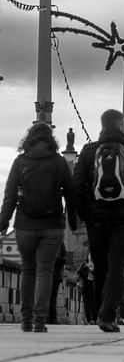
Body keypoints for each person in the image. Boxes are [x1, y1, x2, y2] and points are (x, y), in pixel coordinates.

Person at [74, 109, 124, 332]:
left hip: (96, 218)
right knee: (117, 266)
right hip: (123, 218)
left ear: (102, 126)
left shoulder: (89, 151)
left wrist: (85, 214)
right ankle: (107, 316)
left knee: (100, 267)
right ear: (121, 126)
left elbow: (76, 186)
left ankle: (101, 312)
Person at [2, 122, 81, 333]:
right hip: (52, 225)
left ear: (29, 139)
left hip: (25, 224)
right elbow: (71, 195)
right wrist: (73, 221)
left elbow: (9, 196)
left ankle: (25, 320)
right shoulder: (59, 162)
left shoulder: (20, 161)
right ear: (50, 140)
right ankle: (39, 321)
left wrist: (3, 223)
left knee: (28, 271)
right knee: (45, 270)